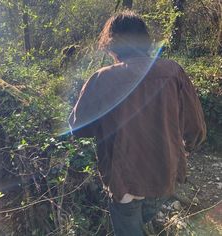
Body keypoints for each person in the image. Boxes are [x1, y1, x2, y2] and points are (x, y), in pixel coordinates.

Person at [68, 11, 206, 236]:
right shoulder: (173, 71)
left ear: (111, 43)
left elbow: (78, 128)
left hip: (125, 184)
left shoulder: (102, 78)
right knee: (145, 219)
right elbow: (197, 128)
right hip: (164, 176)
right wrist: (184, 148)